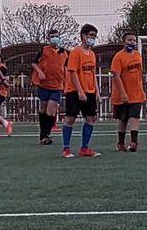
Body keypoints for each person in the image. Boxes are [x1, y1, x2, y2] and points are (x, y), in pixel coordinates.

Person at [62, 24, 100, 158]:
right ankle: (66, 149)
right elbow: (72, 73)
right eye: (91, 35)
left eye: (94, 36)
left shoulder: (92, 54)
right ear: (83, 36)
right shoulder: (75, 52)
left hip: (89, 92)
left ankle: (85, 148)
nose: (93, 38)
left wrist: (96, 91)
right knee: (70, 119)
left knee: (90, 119)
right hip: (74, 91)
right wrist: (80, 91)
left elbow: (93, 73)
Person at [110, 31, 146, 153]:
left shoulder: (137, 55)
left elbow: (139, 75)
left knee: (135, 117)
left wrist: (141, 90)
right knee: (123, 119)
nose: (132, 42)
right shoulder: (118, 57)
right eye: (129, 40)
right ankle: (120, 143)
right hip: (122, 95)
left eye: (134, 40)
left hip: (136, 94)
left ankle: (134, 142)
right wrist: (123, 93)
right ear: (124, 42)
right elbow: (116, 75)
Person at [31, 29, 67, 145]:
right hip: (44, 84)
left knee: (51, 110)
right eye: (52, 36)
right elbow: (34, 63)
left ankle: (46, 135)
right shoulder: (44, 50)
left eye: (56, 36)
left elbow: (66, 68)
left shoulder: (64, 53)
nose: (55, 38)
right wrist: (39, 72)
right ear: (48, 38)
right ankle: (43, 134)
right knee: (43, 107)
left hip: (57, 85)